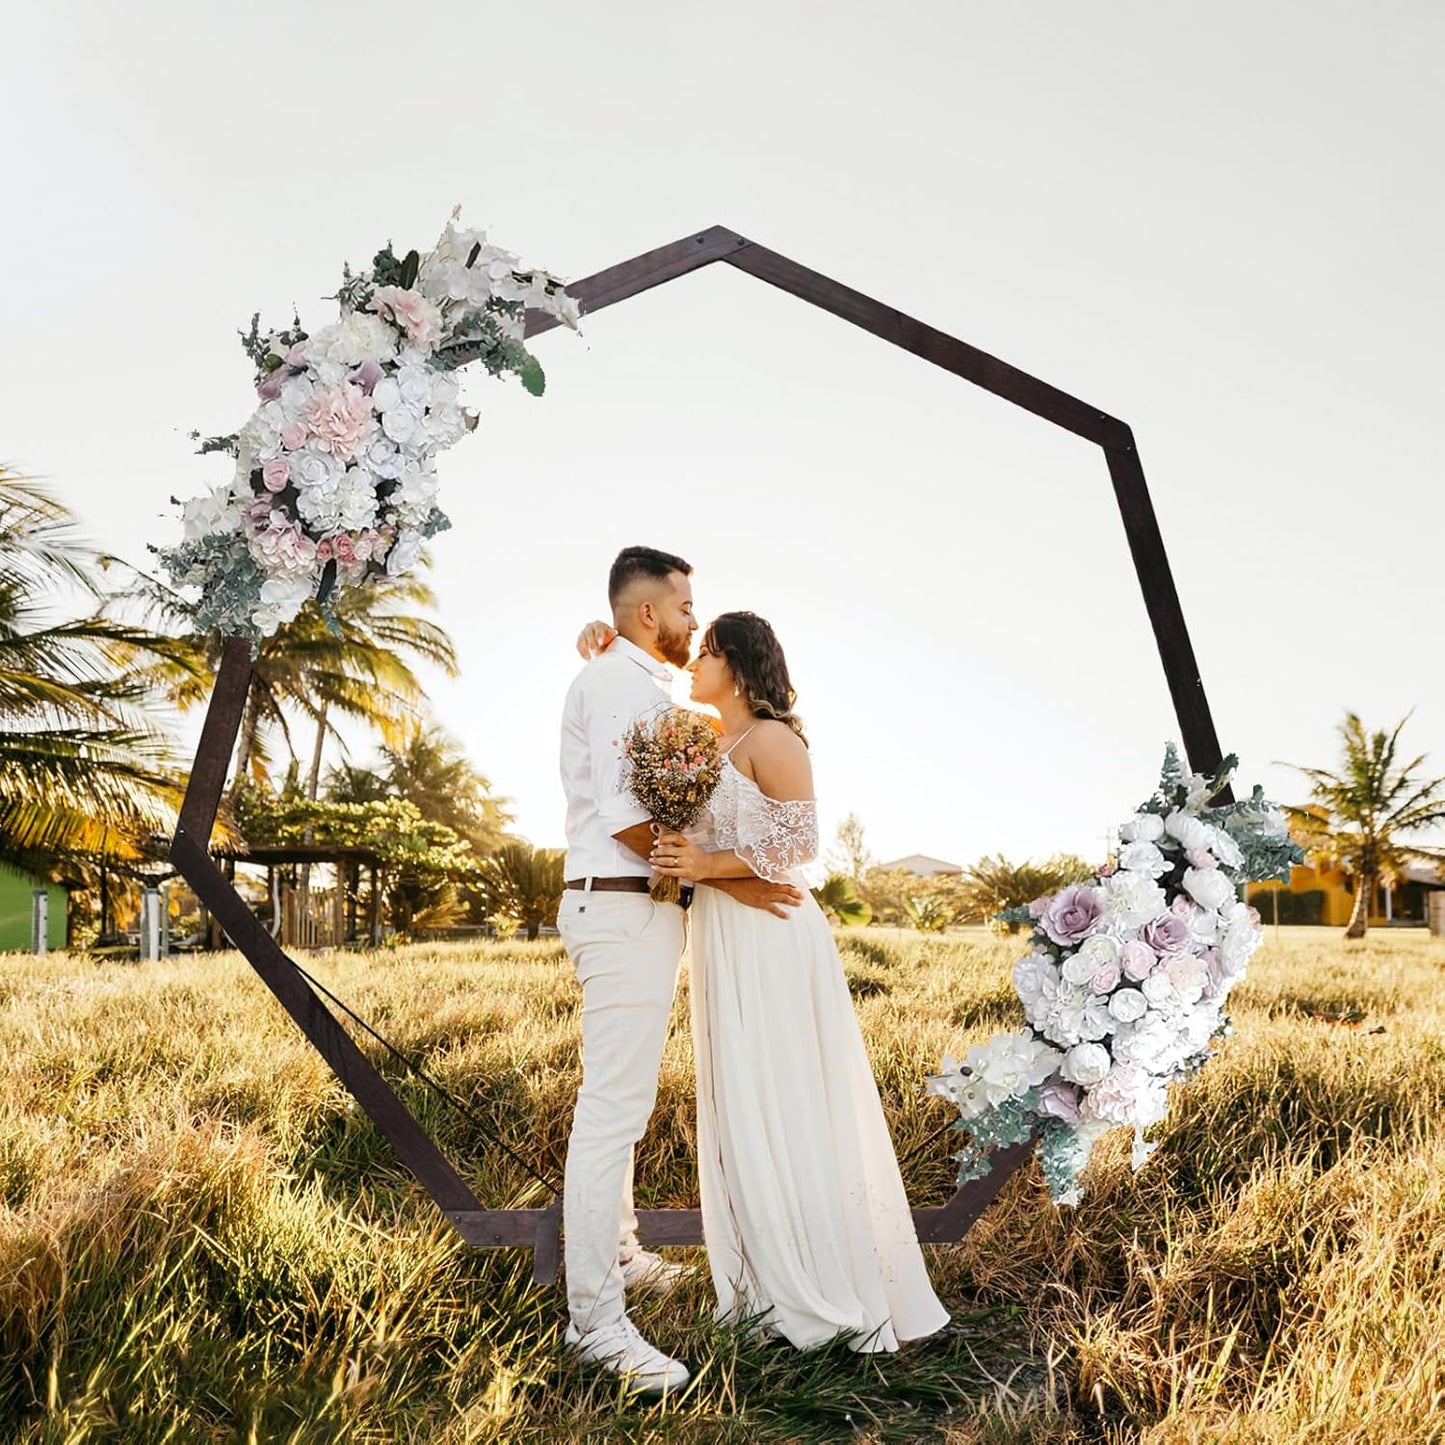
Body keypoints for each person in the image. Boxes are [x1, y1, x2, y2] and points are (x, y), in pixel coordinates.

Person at [581, 609, 950, 1353]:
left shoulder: (774, 738)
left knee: (787, 1095)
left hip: (774, 935)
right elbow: (643, 710)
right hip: (722, 935)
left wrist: (706, 866)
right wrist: (601, 650)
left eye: (709, 651)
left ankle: (818, 1281)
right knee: (742, 1096)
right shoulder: (707, 739)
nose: (696, 662)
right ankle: (762, 1281)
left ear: (740, 666)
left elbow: (799, 843)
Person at [556, 548, 804, 1397]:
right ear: (646, 614)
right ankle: (593, 1320)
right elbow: (630, 818)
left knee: (627, 1102)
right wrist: (712, 868)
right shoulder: (620, 685)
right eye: (685, 607)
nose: (696, 622)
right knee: (611, 1109)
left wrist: (710, 869)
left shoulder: (632, 680)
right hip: (622, 904)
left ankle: (620, 1252)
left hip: (639, 908)